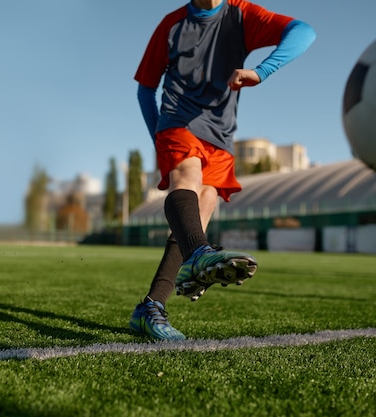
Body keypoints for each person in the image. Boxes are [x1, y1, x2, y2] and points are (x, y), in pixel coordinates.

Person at [129, 0, 316, 340]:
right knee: (187, 178)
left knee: (202, 210)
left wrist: (262, 70)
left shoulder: (241, 15)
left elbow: (303, 32)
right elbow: (145, 88)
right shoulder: (171, 25)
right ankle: (198, 257)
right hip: (177, 123)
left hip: (220, 135)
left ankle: (151, 306)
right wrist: (159, 135)